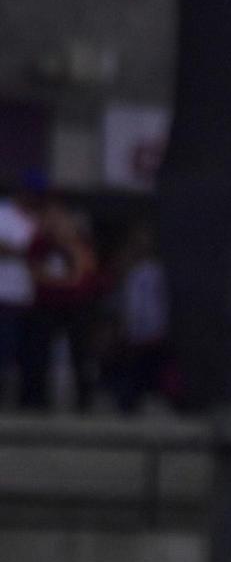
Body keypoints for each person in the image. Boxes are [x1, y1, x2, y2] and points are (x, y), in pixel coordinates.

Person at [19, 196, 101, 412]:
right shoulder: (38, 243)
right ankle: (35, 402)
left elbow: (81, 272)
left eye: (58, 216)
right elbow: (36, 274)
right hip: (45, 307)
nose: (54, 220)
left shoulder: (79, 242)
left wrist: (67, 242)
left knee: (81, 354)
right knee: (38, 353)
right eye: (49, 216)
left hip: (76, 306)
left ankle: (85, 402)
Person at [105, 219, 173, 414]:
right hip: (129, 329)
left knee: (148, 369)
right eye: (138, 241)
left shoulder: (155, 270)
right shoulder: (126, 269)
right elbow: (121, 300)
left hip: (151, 330)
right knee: (126, 369)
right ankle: (125, 403)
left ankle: (149, 400)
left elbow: (158, 301)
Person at [0, 175, 39, 406]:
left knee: (24, 355)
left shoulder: (37, 219)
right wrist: (28, 252)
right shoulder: (3, 212)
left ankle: (22, 402)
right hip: (4, 295)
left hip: (30, 297)